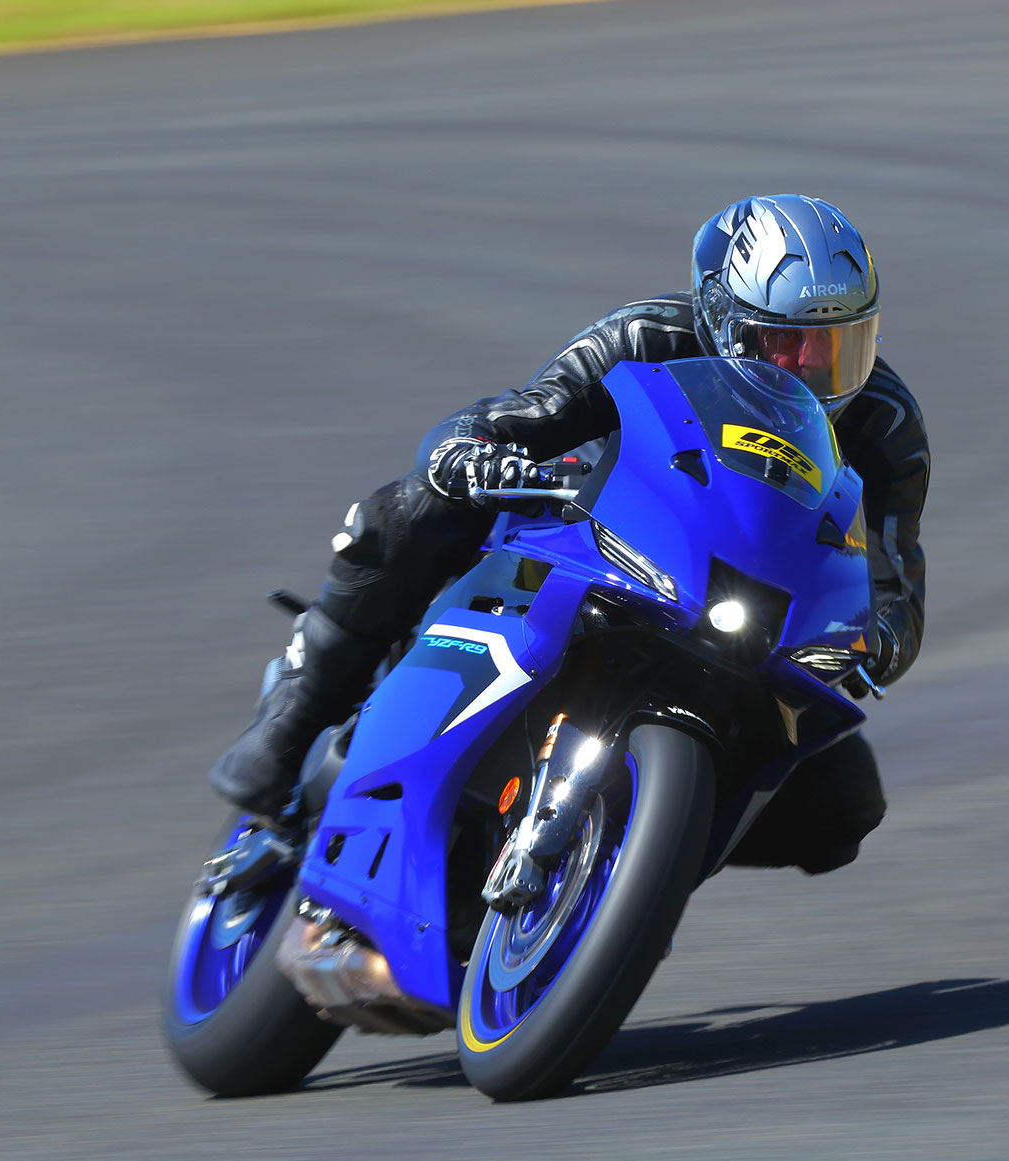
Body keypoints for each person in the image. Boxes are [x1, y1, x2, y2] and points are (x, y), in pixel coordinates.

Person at [210, 194, 929, 873]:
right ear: (723, 318)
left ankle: (630, 869)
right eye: (784, 342)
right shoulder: (646, 336)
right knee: (417, 506)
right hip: (608, 544)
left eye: (839, 345)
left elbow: (898, 580)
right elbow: (528, 412)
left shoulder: (887, 423)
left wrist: (879, 638)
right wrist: (471, 451)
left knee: (846, 802)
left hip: (751, 626)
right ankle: (291, 719)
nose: (811, 369)